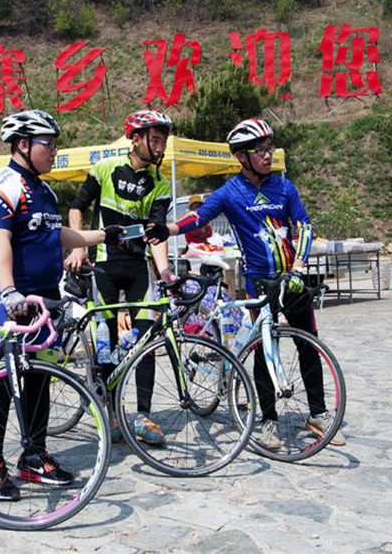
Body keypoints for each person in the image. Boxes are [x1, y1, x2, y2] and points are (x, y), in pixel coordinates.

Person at [146, 118, 346, 449]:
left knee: (308, 345)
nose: (268, 155)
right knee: (265, 350)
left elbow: (304, 227)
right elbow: (199, 216)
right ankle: (268, 420)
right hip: (259, 282)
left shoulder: (284, 187)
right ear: (242, 156)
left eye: (269, 148)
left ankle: (318, 414)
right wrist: (167, 229)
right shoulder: (230, 193)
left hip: (293, 279)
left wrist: (298, 266)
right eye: (260, 150)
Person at [0, 109, 121, 500]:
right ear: (23, 144)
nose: (54, 151)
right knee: (2, 380)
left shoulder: (45, 191)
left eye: (56, 144)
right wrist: (9, 292)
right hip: (7, 298)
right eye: (49, 144)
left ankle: (34, 456)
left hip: (43, 301)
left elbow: (58, 235)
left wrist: (103, 235)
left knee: (40, 376)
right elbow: (0, 241)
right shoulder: (4, 183)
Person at [64, 109, 176, 446]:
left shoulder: (160, 184)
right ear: (136, 139)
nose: (161, 147)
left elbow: (157, 234)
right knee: (107, 343)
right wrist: (79, 246)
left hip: (138, 268)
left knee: (145, 341)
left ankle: (142, 415)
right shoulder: (105, 168)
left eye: (163, 141)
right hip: (104, 268)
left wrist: (165, 271)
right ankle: (110, 412)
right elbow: (76, 207)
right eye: (155, 140)